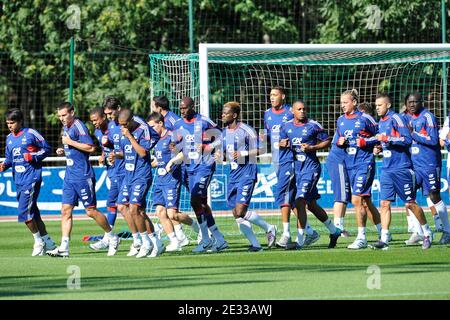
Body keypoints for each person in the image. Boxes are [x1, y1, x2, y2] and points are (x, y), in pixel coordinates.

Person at [47, 102, 120, 257]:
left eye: (64, 115)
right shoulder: (66, 127)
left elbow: (91, 147)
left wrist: (70, 143)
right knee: (65, 211)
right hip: (69, 176)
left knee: (90, 211)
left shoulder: (79, 126)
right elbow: (71, 146)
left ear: (72, 112)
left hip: (83, 175)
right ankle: (64, 247)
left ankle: (112, 236)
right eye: (60, 116)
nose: (62, 119)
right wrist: (63, 149)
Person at [372, 93, 433, 250]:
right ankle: (384, 238)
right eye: (376, 105)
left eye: (380, 105)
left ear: (388, 105)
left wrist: (387, 139)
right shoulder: (381, 122)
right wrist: (380, 147)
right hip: (386, 168)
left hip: (402, 169)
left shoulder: (396, 118)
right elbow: (387, 141)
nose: (377, 108)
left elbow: (406, 140)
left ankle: (427, 232)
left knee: (410, 203)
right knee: (384, 203)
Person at [280, 100, 342, 249]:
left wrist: (313, 147)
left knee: (299, 200)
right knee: (312, 205)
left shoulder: (313, 125)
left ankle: (299, 241)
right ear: (292, 112)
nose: (302, 111)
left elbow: (327, 141)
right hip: (298, 170)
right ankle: (334, 231)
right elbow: (281, 142)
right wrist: (281, 144)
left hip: (311, 169)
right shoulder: (286, 126)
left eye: (304, 109)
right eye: (299, 109)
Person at [216, 101, 277, 251]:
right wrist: (220, 155)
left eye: (226, 112)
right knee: (236, 213)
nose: (223, 115)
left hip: (247, 173)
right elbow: (225, 155)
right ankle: (256, 245)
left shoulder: (246, 130)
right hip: (233, 174)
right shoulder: (223, 133)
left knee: (241, 210)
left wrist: (243, 153)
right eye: (223, 112)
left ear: (234, 115)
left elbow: (261, 150)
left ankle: (269, 227)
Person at [171, 96, 228, 253]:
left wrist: (207, 147)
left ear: (192, 107)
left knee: (195, 199)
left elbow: (222, 137)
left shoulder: (203, 121)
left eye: (185, 108)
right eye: (180, 108)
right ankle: (219, 239)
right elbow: (176, 143)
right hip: (189, 167)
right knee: (201, 203)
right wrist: (173, 146)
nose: (182, 111)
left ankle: (205, 239)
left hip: (205, 165)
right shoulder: (178, 124)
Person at [262, 86, 316, 248]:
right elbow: (266, 136)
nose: (271, 97)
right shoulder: (267, 114)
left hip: (290, 160)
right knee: (291, 199)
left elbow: (301, 131)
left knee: (283, 194)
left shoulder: (290, 112)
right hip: (277, 159)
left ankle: (286, 233)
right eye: (270, 95)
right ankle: (310, 231)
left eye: (275, 95)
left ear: (283, 97)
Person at [0, 108, 57, 256]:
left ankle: (38, 242)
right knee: (33, 213)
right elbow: (9, 158)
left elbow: (47, 149)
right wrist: (4, 165)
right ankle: (49, 243)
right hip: (18, 180)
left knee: (24, 212)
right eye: (7, 123)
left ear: (19, 122)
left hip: (31, 178)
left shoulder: (31, 133)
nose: (10, 126)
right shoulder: (9, 138)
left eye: (12, 123)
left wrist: (32, 156)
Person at [112, 108, 165, 258]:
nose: (122, 127)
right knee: (134, 210)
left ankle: (145, 242)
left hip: (141, 175)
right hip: (128, 175)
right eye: (120, 124)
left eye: (124, 124)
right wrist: (115, 155)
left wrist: (130, 137)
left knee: (134, 209)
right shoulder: (124, 132)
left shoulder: (142, 130)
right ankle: (156, 243)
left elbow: (142, 153)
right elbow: (127, 152)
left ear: (131, 121)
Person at [332, 89, 380, 250]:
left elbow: (379, 136)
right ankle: (383, 232)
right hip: (349, 164)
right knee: (365, 201)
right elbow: (340, 139)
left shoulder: (365, 118)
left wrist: (367, 143)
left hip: (364, 163)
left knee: (356, 199)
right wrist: (340, 141)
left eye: (345, 102)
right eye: (341, 102)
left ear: (354, 102)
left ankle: (362, 238)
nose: (342, 105)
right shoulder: (340, 120)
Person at [147, 111, 200, 252]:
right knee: (160, 212)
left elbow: (184, 152)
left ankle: (197, 227)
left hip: (172, 179)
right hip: (159, 179)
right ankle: (174, 241)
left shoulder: (173, 136)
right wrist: (151, 163)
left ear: (160, 123)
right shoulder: (155, 139)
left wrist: (172, 161)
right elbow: (159, 160)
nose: (151, 130)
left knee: (172, 214)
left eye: (152, 126)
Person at [406, 92, 450, 245]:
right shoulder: (409, 118)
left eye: (415, 102)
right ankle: (418, 232)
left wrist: (413, 134)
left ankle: (447, 231)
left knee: (434, 196)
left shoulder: (428, 117)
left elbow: (433, 140)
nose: (412, 105)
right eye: (409, 102)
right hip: (415, 165)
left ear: (421, 102)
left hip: (430, 163)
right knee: (408, 197)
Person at [87, 106, 120, 251]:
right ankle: (110, 238)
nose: (94, 123)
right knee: (120, 205)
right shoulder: (97, 132)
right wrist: (103, 155)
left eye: (96, 120)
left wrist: (113, 154)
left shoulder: (115, 128)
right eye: (92, 121)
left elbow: (121, 146)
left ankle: (109, 238)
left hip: (122, 170)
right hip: (111, 170)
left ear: (103, 117)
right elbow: (104, 147)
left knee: (118, 204)